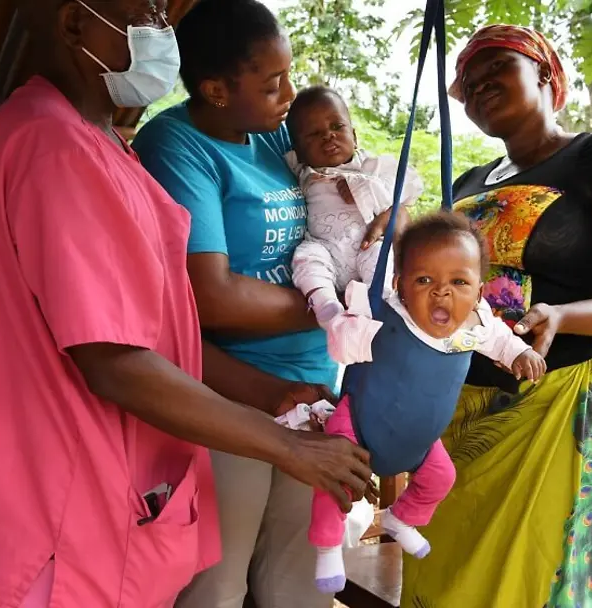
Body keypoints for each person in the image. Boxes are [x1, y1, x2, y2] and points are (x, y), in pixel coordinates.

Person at [0, 0, 371, 606]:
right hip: (65, 503)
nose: (163, 29)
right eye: (147, 12)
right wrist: (287, 441)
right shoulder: (56, 148)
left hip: (105, 496)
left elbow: (164, 332)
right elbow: (115, 360)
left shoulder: (94, 140)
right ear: (75, 24)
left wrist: (274, 396)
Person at [132, 2, 399, 606]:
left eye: (289, 74)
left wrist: (393, 222)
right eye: (273, 81)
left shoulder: (277, 131)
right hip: (229, 399)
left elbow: (358, 190)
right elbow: (212, 297)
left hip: (317, 392)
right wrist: (334, 305)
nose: (290, 94)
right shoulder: (177, 145)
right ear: (216, 90)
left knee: (300, 580)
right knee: (217, 584)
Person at [400, 25, 592, 608]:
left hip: (566, 399)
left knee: (537, 575)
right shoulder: (468, 183)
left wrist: (564, 316)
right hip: (463, 412)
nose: (479, 86)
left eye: (496, 68)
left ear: (546, 75)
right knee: (442, 574)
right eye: (468, 83)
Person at [310, 212, 545, 593]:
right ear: (400, 285)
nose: (441, 293)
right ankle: (327, 547)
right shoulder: (388, 313)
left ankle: (401, 519)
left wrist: (521, 354)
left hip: (418, 439)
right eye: (424, 280)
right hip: (360, 421)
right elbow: (342, 339)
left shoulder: (475, 325)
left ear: (478, 292)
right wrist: (347, 324)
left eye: (458, 282)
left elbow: (502, 341)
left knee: (441, 477)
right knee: (335, 478)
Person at [284, 85, 423, 329]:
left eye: (337, 126)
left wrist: (363, 188)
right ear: (299, 152)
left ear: (355, 136)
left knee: (380, 257)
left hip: (365, 246)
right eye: (314, 134)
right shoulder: (302, 172)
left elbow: (410, 185)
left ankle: (373, 305)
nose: (328, 136)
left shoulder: (369, 166)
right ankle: (325, 303)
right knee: (306, 257)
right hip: (325, 249)